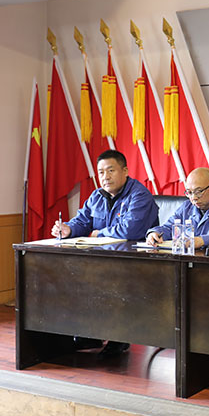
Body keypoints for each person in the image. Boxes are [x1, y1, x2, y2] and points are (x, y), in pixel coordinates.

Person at [50, 149, 159, 358]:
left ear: (125, 171)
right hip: (103, 258)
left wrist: (98, 233)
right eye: (101, 172)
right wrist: (68, 229)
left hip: (135, 262)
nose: (105, 177)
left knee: (112, 277)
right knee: (71, 273)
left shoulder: (140, 195)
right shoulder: (96, 196)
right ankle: (89, 334)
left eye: (111, 170)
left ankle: (119, 337)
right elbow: (82, 221)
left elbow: (130, 231)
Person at [146, 167, 209, 249]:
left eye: (198, 192)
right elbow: (169, 228)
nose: (193, 198)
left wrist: (202, 240)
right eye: (189, 192)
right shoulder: (187, 207)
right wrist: (155, 233)